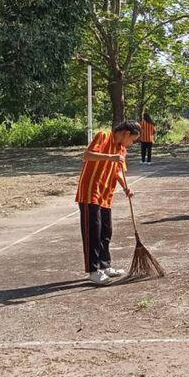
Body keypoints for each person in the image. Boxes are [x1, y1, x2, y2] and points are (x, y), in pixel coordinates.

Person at [75, 120, 141, 285]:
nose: (132, 144)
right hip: (90, 192)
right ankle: (93, 270)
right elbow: (87, 155)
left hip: (105, 194)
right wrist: (111, 157)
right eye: (132, 140)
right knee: (93, 232)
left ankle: (105, 266)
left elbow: (118, 171)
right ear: (126, 133)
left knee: (106, 231)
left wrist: (125, 187)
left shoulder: (121, 149)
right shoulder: (103, 136)